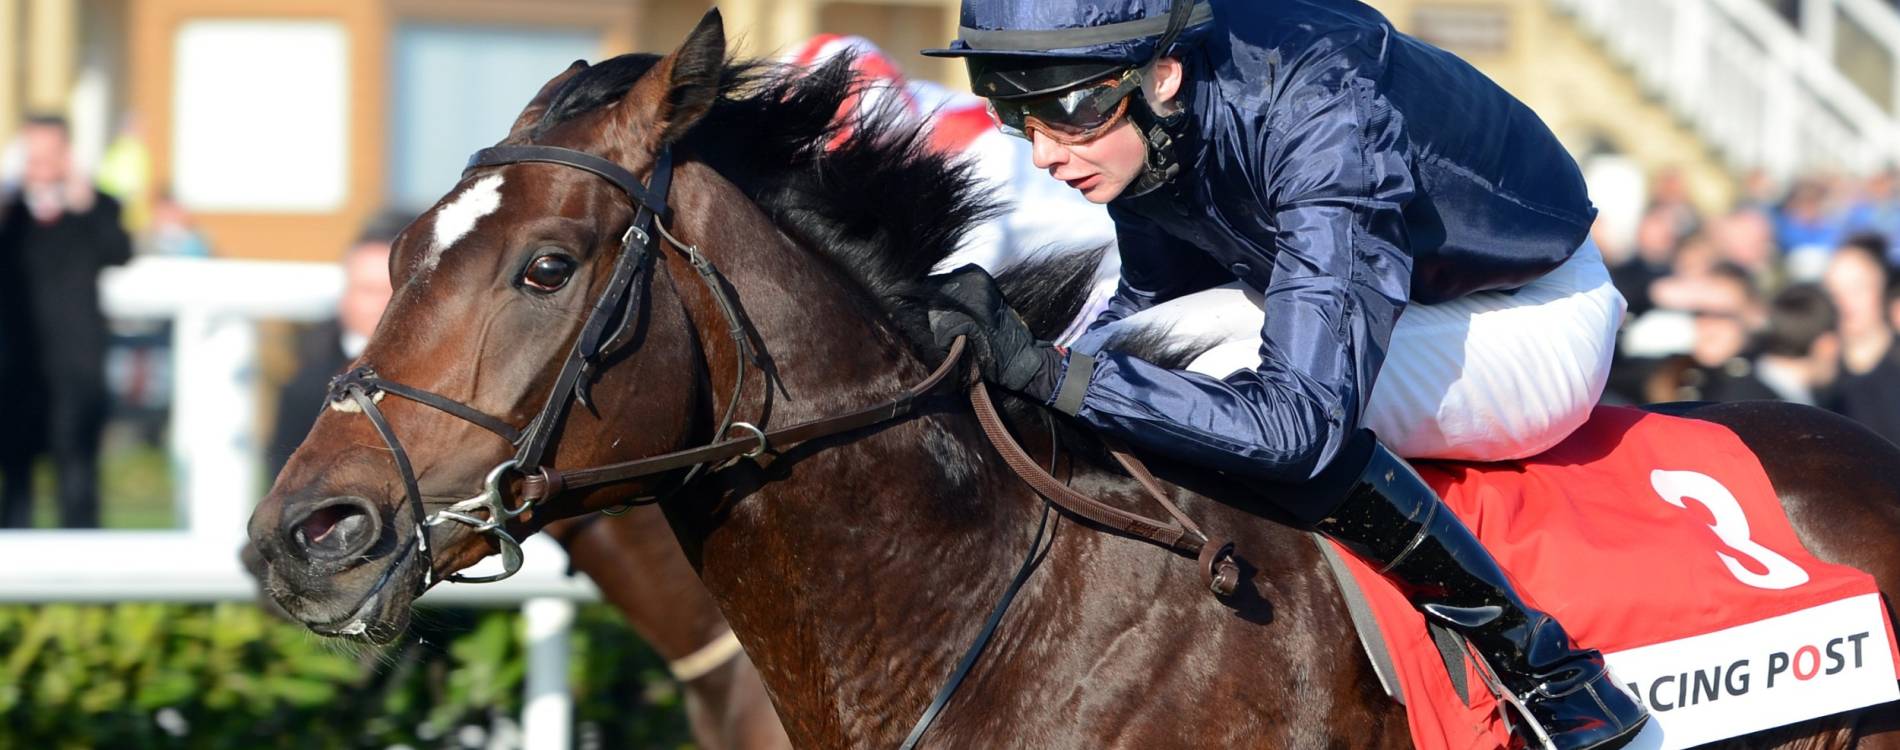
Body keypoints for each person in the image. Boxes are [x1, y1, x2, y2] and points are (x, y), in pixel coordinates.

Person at [920, 2, 1646, 748]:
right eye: (1014, 112)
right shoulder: (1149, 118)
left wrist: (1053, 375)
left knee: (1205, 379)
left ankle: (1539, 663)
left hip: (1532, 310)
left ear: (1162, 75)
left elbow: (1299, 425)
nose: (1044, 153)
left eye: (1069, 109)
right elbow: (1149, 309)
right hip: (1398, 293)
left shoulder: (1324, 109)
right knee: (1122, 361)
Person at [0, 115, 133, 528]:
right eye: (32, 155)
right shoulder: (11, 213)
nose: (40, 165)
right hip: (16, 366)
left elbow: (119, 250)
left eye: (49, 155)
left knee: (77, 479)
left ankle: (83, 565)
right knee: (15, 482)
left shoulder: (96, 206)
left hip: (76, 366)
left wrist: (83, 199)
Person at [266, 212, 403, 480]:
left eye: (393, 291)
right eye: (369, 290)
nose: (382, 304)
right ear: (346, 294)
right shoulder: (306, 380)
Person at [1823, 233, 1900, 444]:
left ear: (1884, 291)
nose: (1844, 303)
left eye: (1857, 289)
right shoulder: (1821, 371)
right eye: (1834, 292)